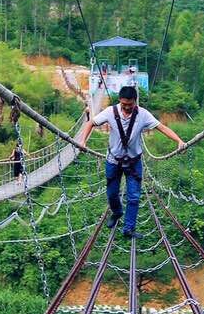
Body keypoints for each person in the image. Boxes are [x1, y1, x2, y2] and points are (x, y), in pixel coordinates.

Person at [77, 85, 184, 237]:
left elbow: (162, 128)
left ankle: (129, 229)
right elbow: (91, 123)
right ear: (120, 101)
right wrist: (83, 141)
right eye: (124, 104)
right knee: (112, 194)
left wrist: (179, 141)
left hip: (134, 162)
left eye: (130, 104)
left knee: (133, 197)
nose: (127, 107)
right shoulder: (110, 112)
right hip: (113, 161)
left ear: (135, 101)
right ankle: (117, 212)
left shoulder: (143, 114)